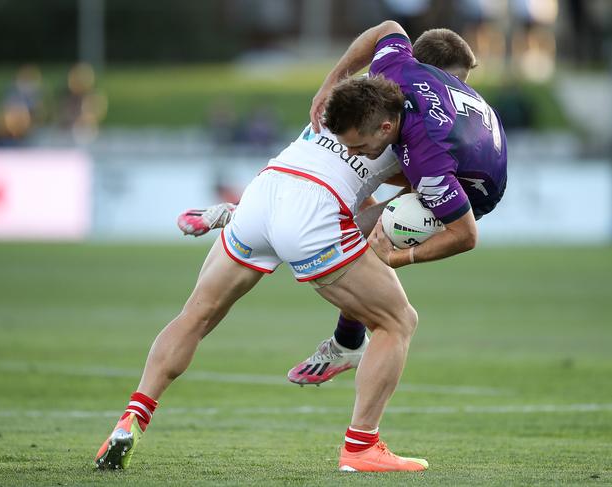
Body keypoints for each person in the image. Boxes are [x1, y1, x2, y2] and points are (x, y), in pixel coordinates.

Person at [178, 27, 501, 387]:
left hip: (310, 186)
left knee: (361, 235)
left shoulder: (382, 87)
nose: (460, 90)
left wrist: (332, 80)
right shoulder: (401, 117)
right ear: (429, 70)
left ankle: (243, 219)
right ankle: (346, 347)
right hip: (331, 187)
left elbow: (388, 31)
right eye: (456, 80)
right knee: (371, 243)